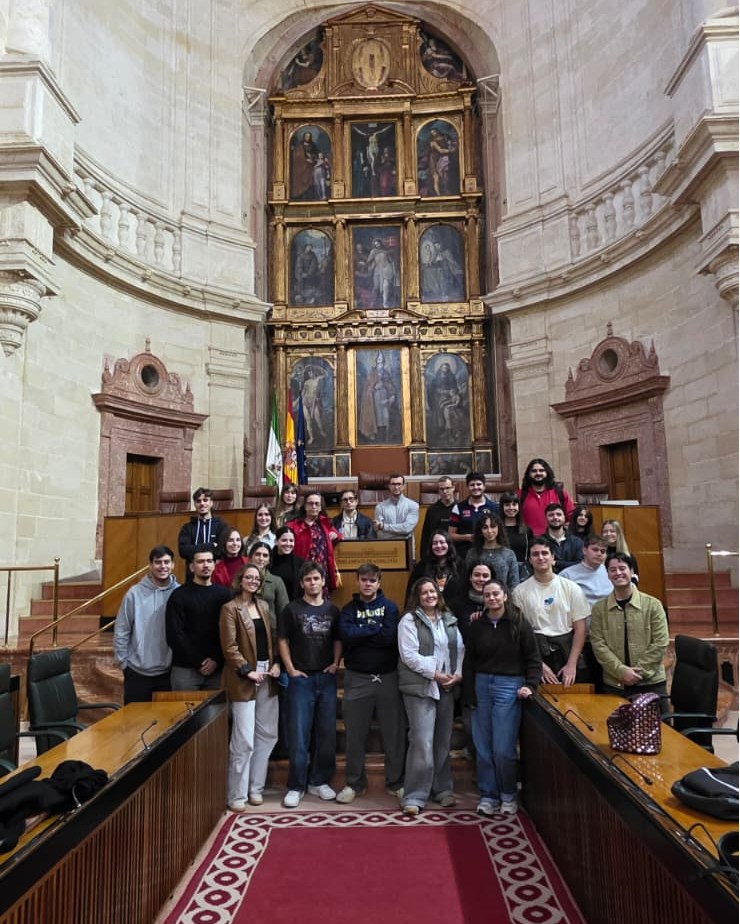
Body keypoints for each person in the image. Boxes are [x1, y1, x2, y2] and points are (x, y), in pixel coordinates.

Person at [463, 579, 541, 816]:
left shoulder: (519, 623)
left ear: (505, 596)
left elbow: (533, 658)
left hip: (509, 686)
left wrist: (530, 684)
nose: (492, 598)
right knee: (483, 748)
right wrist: (469, 693)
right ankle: (488, 795)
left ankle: (508, 794)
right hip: (481, 685)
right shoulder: (477, 625)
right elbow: (469, 662)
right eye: (487, 595)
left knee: (503, 749)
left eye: (496, 594)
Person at [335, 564, 405, 803]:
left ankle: (395, 782)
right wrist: (374, 629)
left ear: (379, 582)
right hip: (357, 678)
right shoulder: (347, 610)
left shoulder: (390, 608)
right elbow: (347, 635)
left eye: (372, 580)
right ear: (357, 581)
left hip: (387, 677)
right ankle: (355, 783)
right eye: (363, 580)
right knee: (355, 735)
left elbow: (389, 637)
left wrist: (362, 633)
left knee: (394, 734)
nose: (367, 584)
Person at [398, 578, 464, 816]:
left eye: (432, 591)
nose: (429, 596)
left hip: (447, 686)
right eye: (424, 592)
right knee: (422, 742)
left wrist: (457, 675)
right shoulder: (409, 620)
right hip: (422, 687)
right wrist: (435, 674)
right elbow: (408, 655)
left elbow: (460, 649)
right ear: (417, 597)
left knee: (442, 742)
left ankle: (442, 789)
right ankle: (414, 796)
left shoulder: (449, 618)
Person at [278, 562, 342, 808]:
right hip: (300, 679)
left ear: (323, 581)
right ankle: (296, 785)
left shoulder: (333, 610)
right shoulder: (291, 609)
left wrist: (336, 663)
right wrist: (290, 669)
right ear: (302, 583)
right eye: (308, 579)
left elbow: (337, 639)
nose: (312, 583)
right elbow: (282, 640)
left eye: (316, 578)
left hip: (325, 678)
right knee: (298, 734)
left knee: (325, 733)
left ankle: (318, 781)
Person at [219, 563, 280, 811]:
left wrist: (275, 664)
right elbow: (229, 647)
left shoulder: (263, 606)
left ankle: (256, 788)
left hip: (266, 677)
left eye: (257, 578)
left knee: (268, 735)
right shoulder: (230, 608)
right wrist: (247, 670)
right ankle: (237, 795)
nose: (253, 581)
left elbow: (270, 640)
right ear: (240, 580)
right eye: (249, 577)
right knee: (243, 740)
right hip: (243, 679)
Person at [590, 553, 669, 701]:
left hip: (650, 683)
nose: (618, 573)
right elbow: (598, 644)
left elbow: (660, 642)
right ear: (608, 575)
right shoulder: (599, 609)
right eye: (612, 570)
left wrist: (638, 673)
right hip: (615, 683)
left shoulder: (653, 605)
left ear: (632, 571)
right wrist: (621, 671)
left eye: (622, 568)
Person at [511, 538, 590, 687]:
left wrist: (572, 664)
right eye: (535, 554)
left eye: (545, 553)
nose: (540, 557)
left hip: (568, 652)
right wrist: (538, 664)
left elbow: (580, 629)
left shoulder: (572, 588)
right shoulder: (519, 592)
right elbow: (519, 633)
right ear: (530, 560)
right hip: (536, 653)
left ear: (553, 558)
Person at [113, 545, 179, 704]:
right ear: (150, 565)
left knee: (165, 718)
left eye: (166, 562)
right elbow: (122, 629)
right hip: (137, 672)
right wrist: (123, 662)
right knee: (135, 719)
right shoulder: (134, 593)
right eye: (158, 562)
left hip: (168, 672)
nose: (162, 566)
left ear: (173, 565)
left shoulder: (179, 593)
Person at [165, 545, 232, 690]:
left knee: (217, 706)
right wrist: (198, 662)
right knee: (183, 706)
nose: (205, 565)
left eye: (209, 561)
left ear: (214, 565)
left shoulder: (225, 595)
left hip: (217, 669)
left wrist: (216, 660)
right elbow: (174, 634)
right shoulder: (179, 595)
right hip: (185, 669)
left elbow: (229, 631)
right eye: (200, 561)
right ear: (191, 567)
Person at [287, 492, 340, 593]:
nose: (314, 506)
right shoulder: (293, 525)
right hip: (303, 572)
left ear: (320, 507)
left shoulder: (325, 523)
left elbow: (337, 534)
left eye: (317, 504)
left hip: (322, 572)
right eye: (311, 503)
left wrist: (336, 534)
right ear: (305, 506)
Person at [177, 487, 228, 580]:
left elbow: (222, 551)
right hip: (192, 578)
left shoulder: (221, 526)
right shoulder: (187, 528)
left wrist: (194, 548)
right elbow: (183, 551)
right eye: (198, 501)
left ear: (211, 503)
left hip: (216, 577)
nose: (202, 504)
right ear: (195, 504)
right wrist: (210, 546)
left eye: (205, 500)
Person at [448, 471, 499, 557]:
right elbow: (450, 535)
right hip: (464, 555)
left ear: (484, 486)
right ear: (467, 487)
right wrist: (467, 537)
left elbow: (500, 533)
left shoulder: (494, 508)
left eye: (479, 484)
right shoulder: (458, 508)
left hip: (488, 554)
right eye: (472, 485)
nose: (475, 487)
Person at [518, 459, 575, 536]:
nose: (538, 473)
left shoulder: (559, 493)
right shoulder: (521, 495)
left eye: (541, 470)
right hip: (529, 540)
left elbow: (572, 516)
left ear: (547, 473)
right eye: (534, 471)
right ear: (528, 474)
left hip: (554, 539)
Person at [464, 513, 519, 590]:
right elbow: (466, 580)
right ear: (480, 530)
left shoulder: (509, 554)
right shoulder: (472, 553)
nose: (489, 531)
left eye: (493, 527)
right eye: (485, 527)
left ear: (498, 528)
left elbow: (514, 584)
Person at [405, 529, 462, 603]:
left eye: (442, 542)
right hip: (428, 607)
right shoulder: (421, 567)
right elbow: (411, 592)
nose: (438, 546)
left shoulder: (460, 565)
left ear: (449, 544)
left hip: (453, 608)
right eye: (435, 543)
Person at [444, 561, 493, 643]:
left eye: (485, 576)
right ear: (470, 577)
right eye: (477, 575)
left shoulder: (499, 604)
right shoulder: (456, 604)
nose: (481, 579)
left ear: (491, 579)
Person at [248, 541, 289, 635]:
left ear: (269, 560)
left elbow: (283, 611)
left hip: (270, 631)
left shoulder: (276, 581)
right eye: (257, 554)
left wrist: (282, 636)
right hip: (247, 629)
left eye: (265, 555)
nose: (261, 558)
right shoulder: (241, 579)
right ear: (250, 557)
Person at [560, 534, 613, 608]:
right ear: (584, 550)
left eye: (603, 551)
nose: (599, 554)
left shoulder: (611, 571)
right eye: (595, 550)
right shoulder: (567, 575)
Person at [359, 352, 398, 442]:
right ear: (375, 362)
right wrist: (374, 388)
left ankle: (387, 436)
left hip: (385, 401)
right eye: (379, 361)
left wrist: (392, 395)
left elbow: (390, 386)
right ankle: (375, 435)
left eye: (382, 361)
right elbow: (367, 388)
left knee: (386, 419)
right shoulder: (371, 374)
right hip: (375, 401)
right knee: (377, 420)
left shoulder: (386, 374)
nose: (381, 364)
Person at [373, 474, 420, 541]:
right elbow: (380, 532)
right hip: (387, 544)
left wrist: (384, 526)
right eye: (393, 484)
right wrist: (400, 531)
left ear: (404, 486)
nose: (396, 487)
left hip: (406, 544)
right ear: (389, 486)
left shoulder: (413, 506)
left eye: (399, 484)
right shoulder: (380, 507)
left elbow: (407, 528)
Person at [499, 491, 534, 576]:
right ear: (502, 507)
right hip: (501, 569)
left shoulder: (527, 530)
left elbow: (531, 553)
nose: (511, 508)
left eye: (514, 504)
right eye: (507, 505)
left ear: (519, 507)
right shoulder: (496, 529)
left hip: (522, 571)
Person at [420, 476, 456, 553]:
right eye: (441, 489)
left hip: (456, 551)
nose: (445, 491)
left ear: (453, 488)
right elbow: (426, 535)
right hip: (436, 550)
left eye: (447, 488)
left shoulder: (460, 508)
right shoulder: (432, 510)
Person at [544, 502, 584, 573]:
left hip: (573, 579)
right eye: (551, 515)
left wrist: (556, 563)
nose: (555, 517)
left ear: (564, 517)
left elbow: (580, 565)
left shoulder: (577, 541)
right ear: (545, 518)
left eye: (559, 514)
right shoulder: (540, 541)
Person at [269, 526, 305, 601]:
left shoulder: (301, 563)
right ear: (276, 541)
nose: (288, 544)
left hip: (293, 605)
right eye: (284, 540)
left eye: (291, 540)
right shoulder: (268, 560)